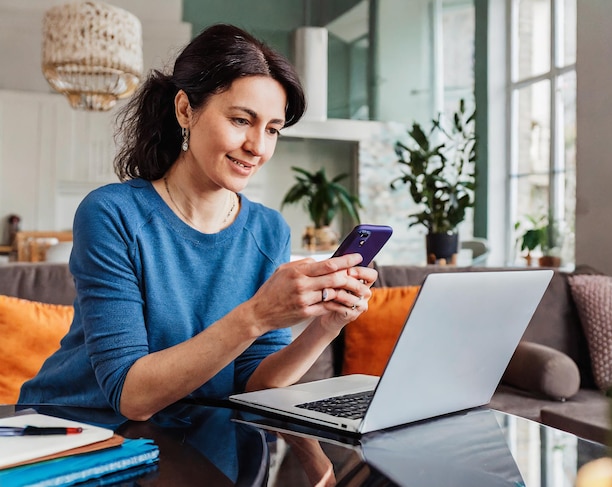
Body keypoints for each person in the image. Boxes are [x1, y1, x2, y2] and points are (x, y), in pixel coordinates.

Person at [18, 24, 377, 425]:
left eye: (272, 129)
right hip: (72, 428)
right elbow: (131, 396)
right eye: (242, 120)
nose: (258, 147)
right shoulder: (112, 213)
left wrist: (326, 325)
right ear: (186, 109)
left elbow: (254, 385)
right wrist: (258, 313)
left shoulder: (269, 230)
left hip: (188, 438)